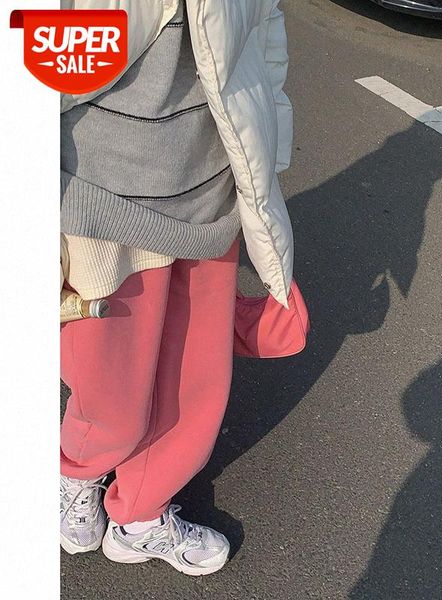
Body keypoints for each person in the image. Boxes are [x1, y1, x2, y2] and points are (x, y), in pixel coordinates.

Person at [59, 0, 294, 576]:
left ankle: (141, 511)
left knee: (195, 379)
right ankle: (79, 471)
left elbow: (263, 43)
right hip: (100, 196)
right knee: (108, 384)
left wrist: (268, 170)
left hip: (211, 191)